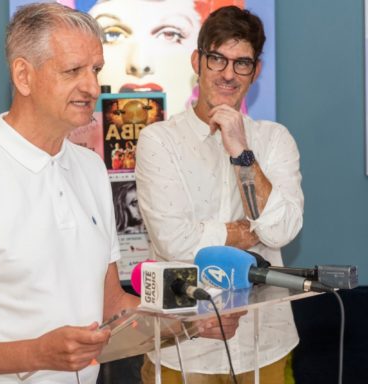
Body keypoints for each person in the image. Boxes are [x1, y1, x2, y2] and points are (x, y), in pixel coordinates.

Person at [0, 4, 140, 383]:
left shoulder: (91, 168)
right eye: (73, 71)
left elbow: (112, 304)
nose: (93, 87)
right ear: (23, 76)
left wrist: (196, 319)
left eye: (95, 69)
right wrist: (35, 353)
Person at [136, 5, 304, 384]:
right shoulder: (158, 141)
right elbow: (174, 241)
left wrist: (241, 152)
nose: (229, 74)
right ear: (197, 60)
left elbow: (280, 231)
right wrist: (244, 232)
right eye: (217, 59)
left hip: (265, 340)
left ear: (255, 71)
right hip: (183, 344)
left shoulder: (274, 140)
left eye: (242, 63)